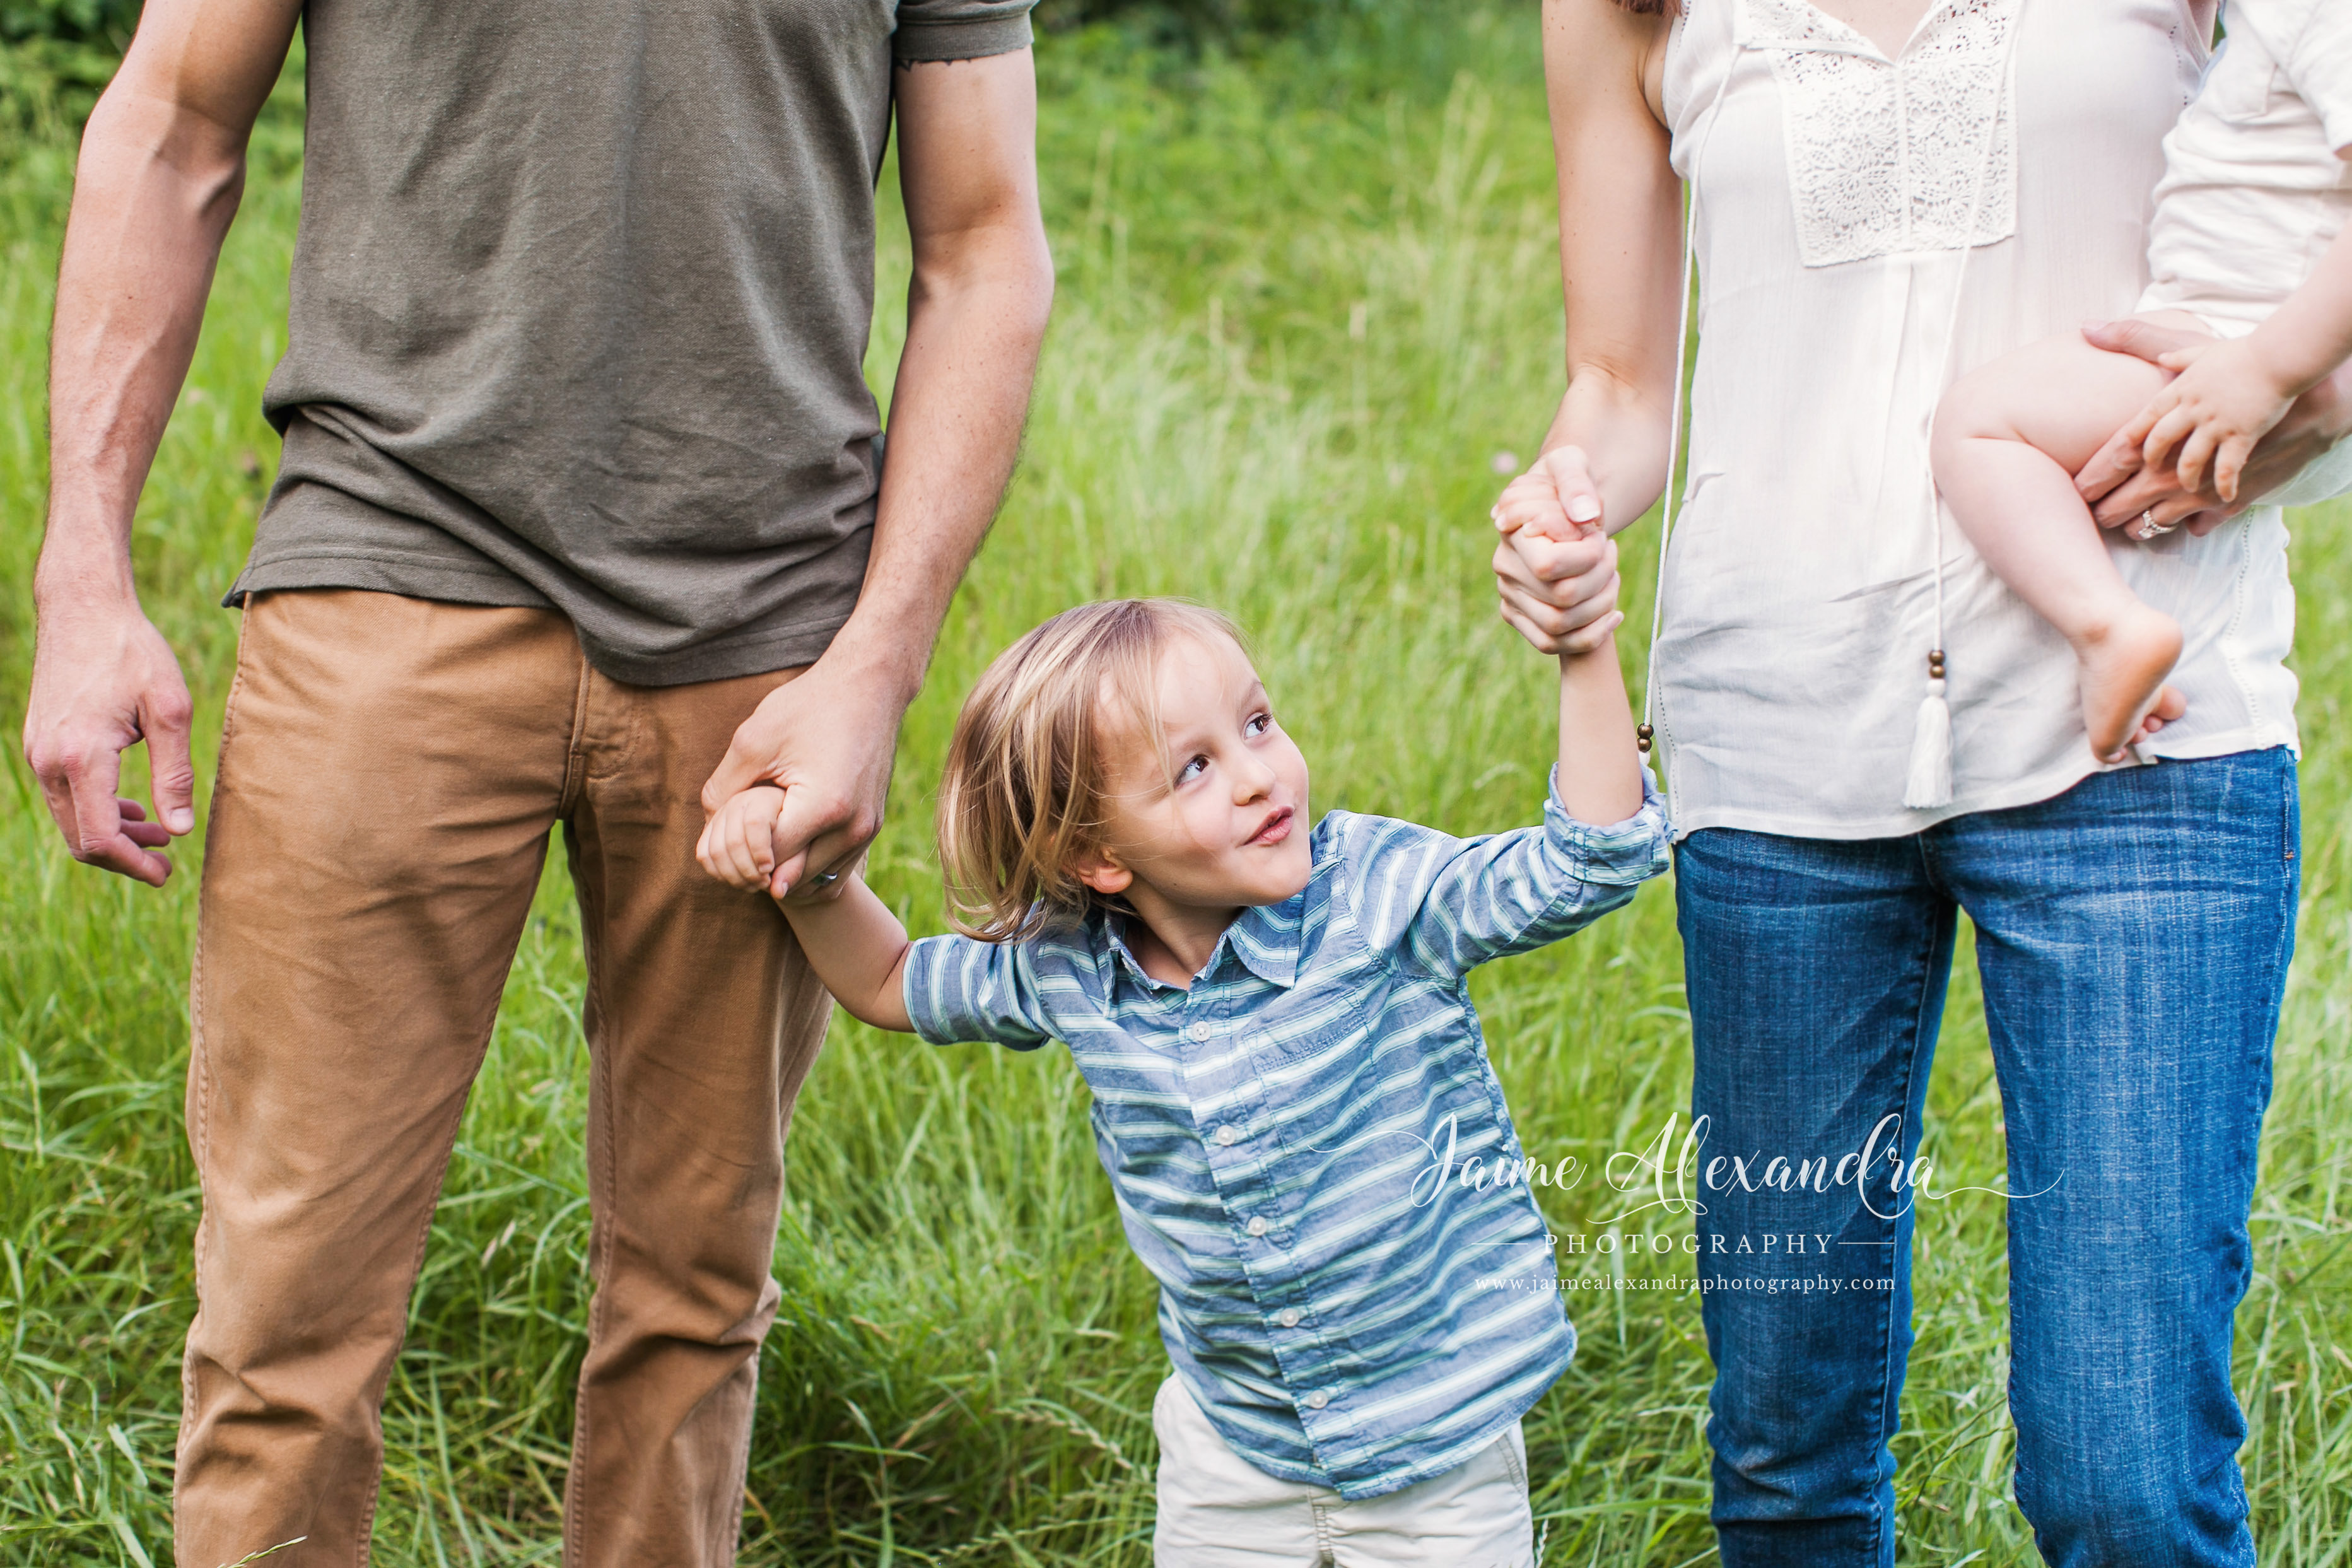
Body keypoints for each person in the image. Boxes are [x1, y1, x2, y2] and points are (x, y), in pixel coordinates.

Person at [18, 0, 1053, 1562]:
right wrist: (83, 583)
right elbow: (172, 125)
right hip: (383, 570)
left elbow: (982, 246)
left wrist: (875, 666)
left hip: (763, 646)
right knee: (287, 1313)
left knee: (694, 1302)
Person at [1486, 0, 2351, 1563]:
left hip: (2140, 750)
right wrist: (1558, 507)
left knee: (2123, 1474)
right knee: (1783, 1447)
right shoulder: (1622, 11)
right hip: (1775, 752)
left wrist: (2297, 402)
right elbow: (1614, 390)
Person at [697, 593, 1670, 1566]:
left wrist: (1586, 649)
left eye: (1257, 723)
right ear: (1097, 856)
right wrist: (808, 870)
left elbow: (1584, 865)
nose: (1259, 775)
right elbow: (887, 978)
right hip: (1230, 1455)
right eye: (1195, 767)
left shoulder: (1376, 899)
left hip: (1440, 1447)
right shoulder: (1070, 969)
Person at [1934, 0, 2352, 762]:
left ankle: (2108, 627)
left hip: (2247, 353)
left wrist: (2271, 369)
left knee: (1983, 422)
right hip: (2270, 358)